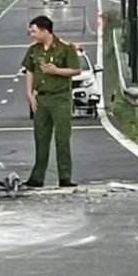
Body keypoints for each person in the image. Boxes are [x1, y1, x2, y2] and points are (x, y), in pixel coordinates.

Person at [21, 15, 81, 188]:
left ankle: (65, 176)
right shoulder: (34, 50)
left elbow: (76, 70)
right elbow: (30, 70)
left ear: (45, 31)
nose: (32, 35)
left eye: (34, 31)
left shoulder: (65, 48)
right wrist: (29, 93)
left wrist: (57, 71)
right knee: (40, 138)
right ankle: (37, 177)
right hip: (42, 98)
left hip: (60, 97)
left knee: (62, 139)